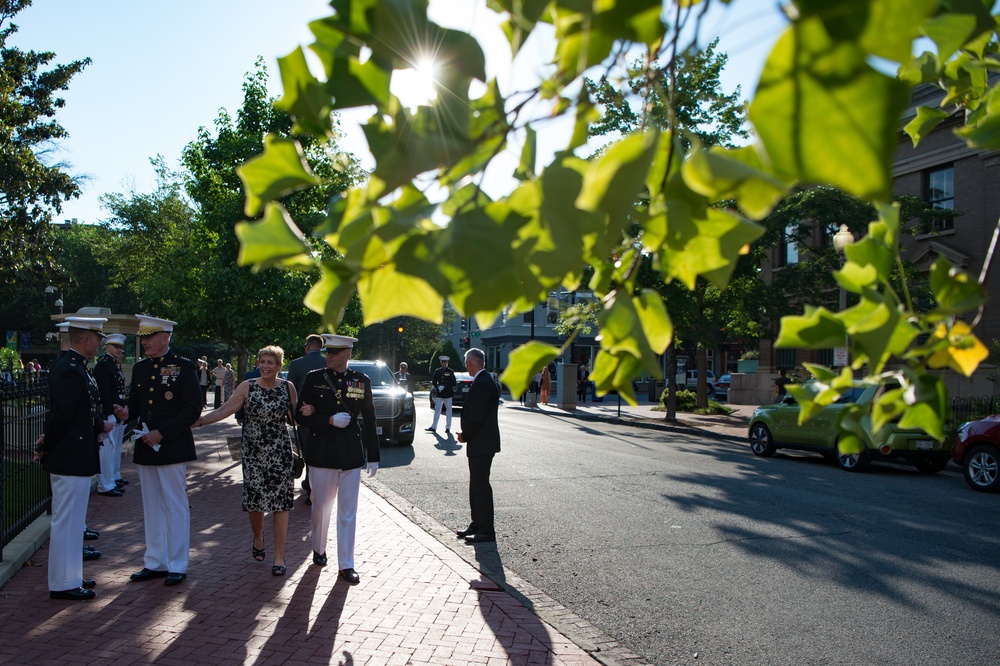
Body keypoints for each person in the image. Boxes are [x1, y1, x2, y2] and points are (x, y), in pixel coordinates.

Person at [194, 346, 296, 577]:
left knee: (282, 504)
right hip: (253, 453)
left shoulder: (288, 388)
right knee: (256, 503)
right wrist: (200, 421)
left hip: (280, 453)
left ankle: (279, 556)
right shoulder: (247, 387)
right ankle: (258, 536)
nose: (266, 366)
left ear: (280, 366)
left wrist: (305, 411)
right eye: (262, 361)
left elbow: (294, 419)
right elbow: (225, 410)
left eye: (271, 362)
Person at [35, 316, 113, 600]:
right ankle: (62, 582)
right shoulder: (70, 369)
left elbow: (79, 412)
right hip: (69, 454)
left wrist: (97, 425)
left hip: (76, 454)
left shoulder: (76, 366)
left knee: (72, 521)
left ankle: (71, 576)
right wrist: (47, 445)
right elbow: (61, 416)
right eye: (97, 338)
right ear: (85, 339)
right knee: (66, 522)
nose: (99, 343)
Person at [120, 315, 201, 587]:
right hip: (146, 445)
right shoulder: (141, 368)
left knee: (175, 506)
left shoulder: (183, 367)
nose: (144, 342)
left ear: (164, 337)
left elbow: (192, 409)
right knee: (151, 506)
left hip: (171, 445)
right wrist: (126, 412)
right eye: (142, 338)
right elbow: (136, 403)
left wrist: (162, 433)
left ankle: (177, 564)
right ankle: (155, 561)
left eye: (149, 337)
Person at [297, 334, 380, 585]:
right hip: (322, 452)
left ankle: (347, 564)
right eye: (328, 352)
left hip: (350, 453)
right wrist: (328, 420)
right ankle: (319, 548)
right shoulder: (314, 379)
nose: (329, 356)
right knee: (320, 506)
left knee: (348, 512)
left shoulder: (361, 380)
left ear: (348, 354)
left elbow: (369, 418)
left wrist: (373, 456)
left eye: (335, 352)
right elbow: (300, 416)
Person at [456, 348, 501, 544]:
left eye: (467, 362)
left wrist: (465, 435)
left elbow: (476, 415)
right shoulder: (485, 380)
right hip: (482, 442)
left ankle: (486, 530)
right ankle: (477, 524)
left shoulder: (482, 383)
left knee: (481, 486)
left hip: (482, 442)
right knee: (476, 484)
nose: (466, 366)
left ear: (472, 363)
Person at [286, 334, 326, 505]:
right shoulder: (328, 363)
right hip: (326, 416)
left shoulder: (296, 364)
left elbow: (288, 390)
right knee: (323, 451)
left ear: (308, 346)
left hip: (305, 416)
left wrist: (292, 416)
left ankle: (311, 488)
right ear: (321, 347)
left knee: (308, 451)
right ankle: (320, 488)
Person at [92, 333, 128, 497]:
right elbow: (104, 392)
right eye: (116, 347)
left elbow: (119, 391)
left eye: (120, 347)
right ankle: (105, 484)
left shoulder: (114, 365)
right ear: (107, 347)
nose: (119, 350)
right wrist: (109, 412)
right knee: (106, 450)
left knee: (115, 448)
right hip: (108, 412)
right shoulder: (104, 365)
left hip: (117, 411)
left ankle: (113, 477)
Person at [426, 355, 456, 433]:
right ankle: (433, 426)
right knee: (437, 410)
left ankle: (448, 427)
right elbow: (434, 381)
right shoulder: (437, 371)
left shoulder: (450, 371)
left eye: (445, 362)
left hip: (448, 393)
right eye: (442, 362)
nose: (444, 364)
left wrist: (445, 386)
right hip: (439, 393)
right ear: (440, 363)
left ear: (447, 363)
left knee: (449, 410)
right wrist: (437, 387)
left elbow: (453, 382)